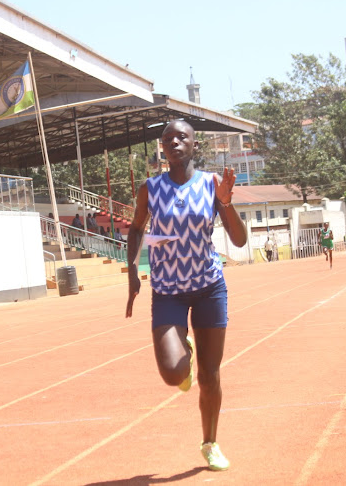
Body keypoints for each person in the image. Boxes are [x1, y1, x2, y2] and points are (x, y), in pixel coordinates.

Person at [125, 120, 247, 471]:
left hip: (209, 287)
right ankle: (184, 351)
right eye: (167, 139)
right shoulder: (150, 189)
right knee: (172, 373)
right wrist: (133, 271)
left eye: (182, 137)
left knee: (210, 376)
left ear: (195, 144)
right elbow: (135, 229)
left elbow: (238, 240)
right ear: (162, 148)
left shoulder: (211, 184)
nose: (174, 142)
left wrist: (225, 203)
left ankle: (210, 443)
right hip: (168, 292)